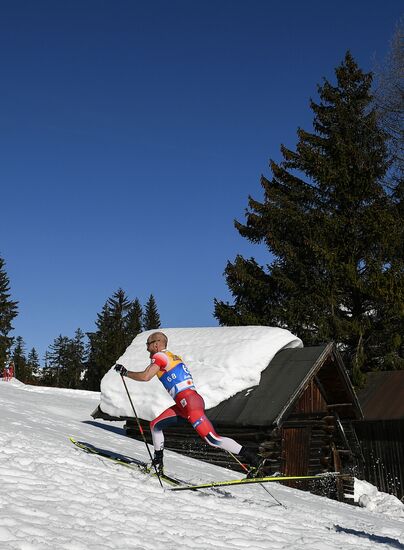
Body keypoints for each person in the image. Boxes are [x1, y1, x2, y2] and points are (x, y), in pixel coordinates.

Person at [114, 331, 262, 476]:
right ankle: (157, 463)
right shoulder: (172, 357)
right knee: (155, 425)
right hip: (184, 404)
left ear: (157, 344)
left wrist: (126, 373)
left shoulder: (160, 356)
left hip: (189, 403)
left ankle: (255, 459)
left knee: (213, 439)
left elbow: (146, 376)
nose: (146, 348)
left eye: (148, 344)